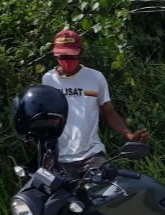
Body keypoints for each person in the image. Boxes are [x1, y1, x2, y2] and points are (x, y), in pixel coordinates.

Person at [41, 28, 149, 178]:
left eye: (71, 56)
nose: (66, 60)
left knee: (102, 189)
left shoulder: (95, 78)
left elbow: (108, 111)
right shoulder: (48, 79)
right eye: (62, 56)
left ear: (81, 53)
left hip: (92, 155)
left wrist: (129, 134)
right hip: (59, 157)